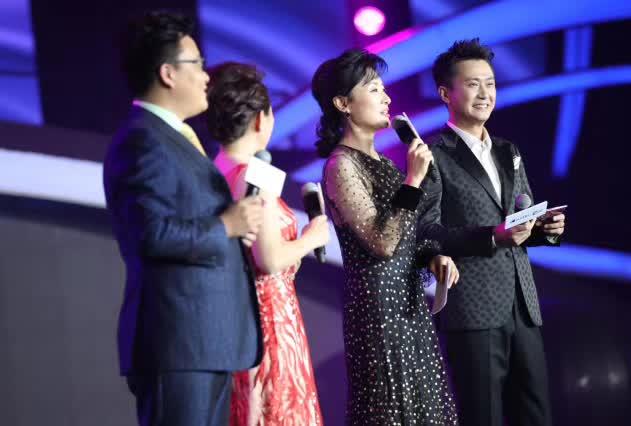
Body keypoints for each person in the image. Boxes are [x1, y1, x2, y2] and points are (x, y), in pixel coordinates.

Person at [103, 12, 264, 426]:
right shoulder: (142, 140)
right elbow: (151, 234)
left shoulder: (171, 137)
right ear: (168, 73)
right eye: (198, 64)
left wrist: (235, 231)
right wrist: (226, 226)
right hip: (178, 342)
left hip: (204, 341)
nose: (207, 76)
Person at [420, 38, 566, 426]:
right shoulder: (434, 156)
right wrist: (493, 236)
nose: (485, 93)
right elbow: (427, 231)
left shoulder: (508, 150)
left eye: (490, 83)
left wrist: (547, 230)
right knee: (483, 415)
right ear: (445, 94)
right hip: (474, 308)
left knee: (536, 414)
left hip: (523, 305)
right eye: (473, 84)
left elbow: (521, 220)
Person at [312, 48, 459, 425]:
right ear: (343, 103)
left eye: (384, 89)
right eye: (375, 89)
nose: (387, 98)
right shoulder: (340, 165)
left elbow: (406, 234)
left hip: (408, 304)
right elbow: (381, 241)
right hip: (377, 309)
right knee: (392, 408)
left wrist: (432, 257)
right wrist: (413, 180)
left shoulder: (386, 164)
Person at [206, 62, 329, 426]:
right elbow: (270, 259)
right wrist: (311, 238)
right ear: (261, 119)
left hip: (237, 319)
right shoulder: (255, 172)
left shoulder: (215, 169)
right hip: (271, 320)